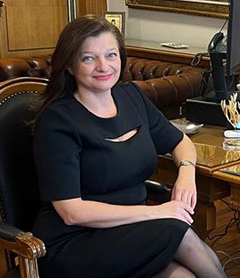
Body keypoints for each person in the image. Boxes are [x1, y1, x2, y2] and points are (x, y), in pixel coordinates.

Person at [32, 16, 226, 278]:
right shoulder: (57, 121)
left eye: (111, 55)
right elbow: (71, 212)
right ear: (69, 65)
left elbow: (180, 142)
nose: (103, 66)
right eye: (89, 58)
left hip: (131, 231)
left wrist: (186, 173)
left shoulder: (131, 97)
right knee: (178, 230)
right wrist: (156, 213)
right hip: (75, 242)